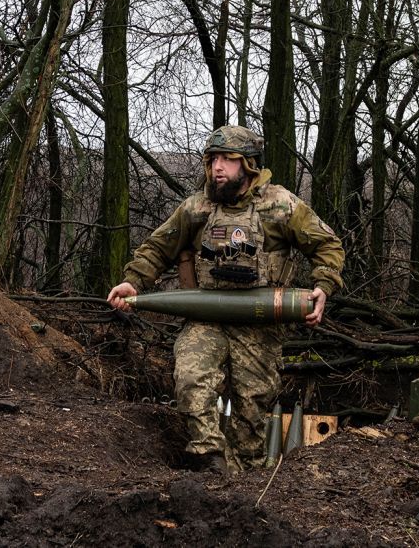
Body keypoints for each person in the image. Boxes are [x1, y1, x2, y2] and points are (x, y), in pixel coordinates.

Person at [107, 125, 344, 473]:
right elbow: (157, 248)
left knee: (251, 413)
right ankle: (207, 457)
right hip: (207, 317)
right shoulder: (196, 209)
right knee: (191, 378)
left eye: (227, 160)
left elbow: (327, 245)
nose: (217, 167)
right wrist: (133, 282)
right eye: (213, 159)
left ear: (247, 165)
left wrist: (323, 285)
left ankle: (240, 481)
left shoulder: (280, 205)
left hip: (260, 323)